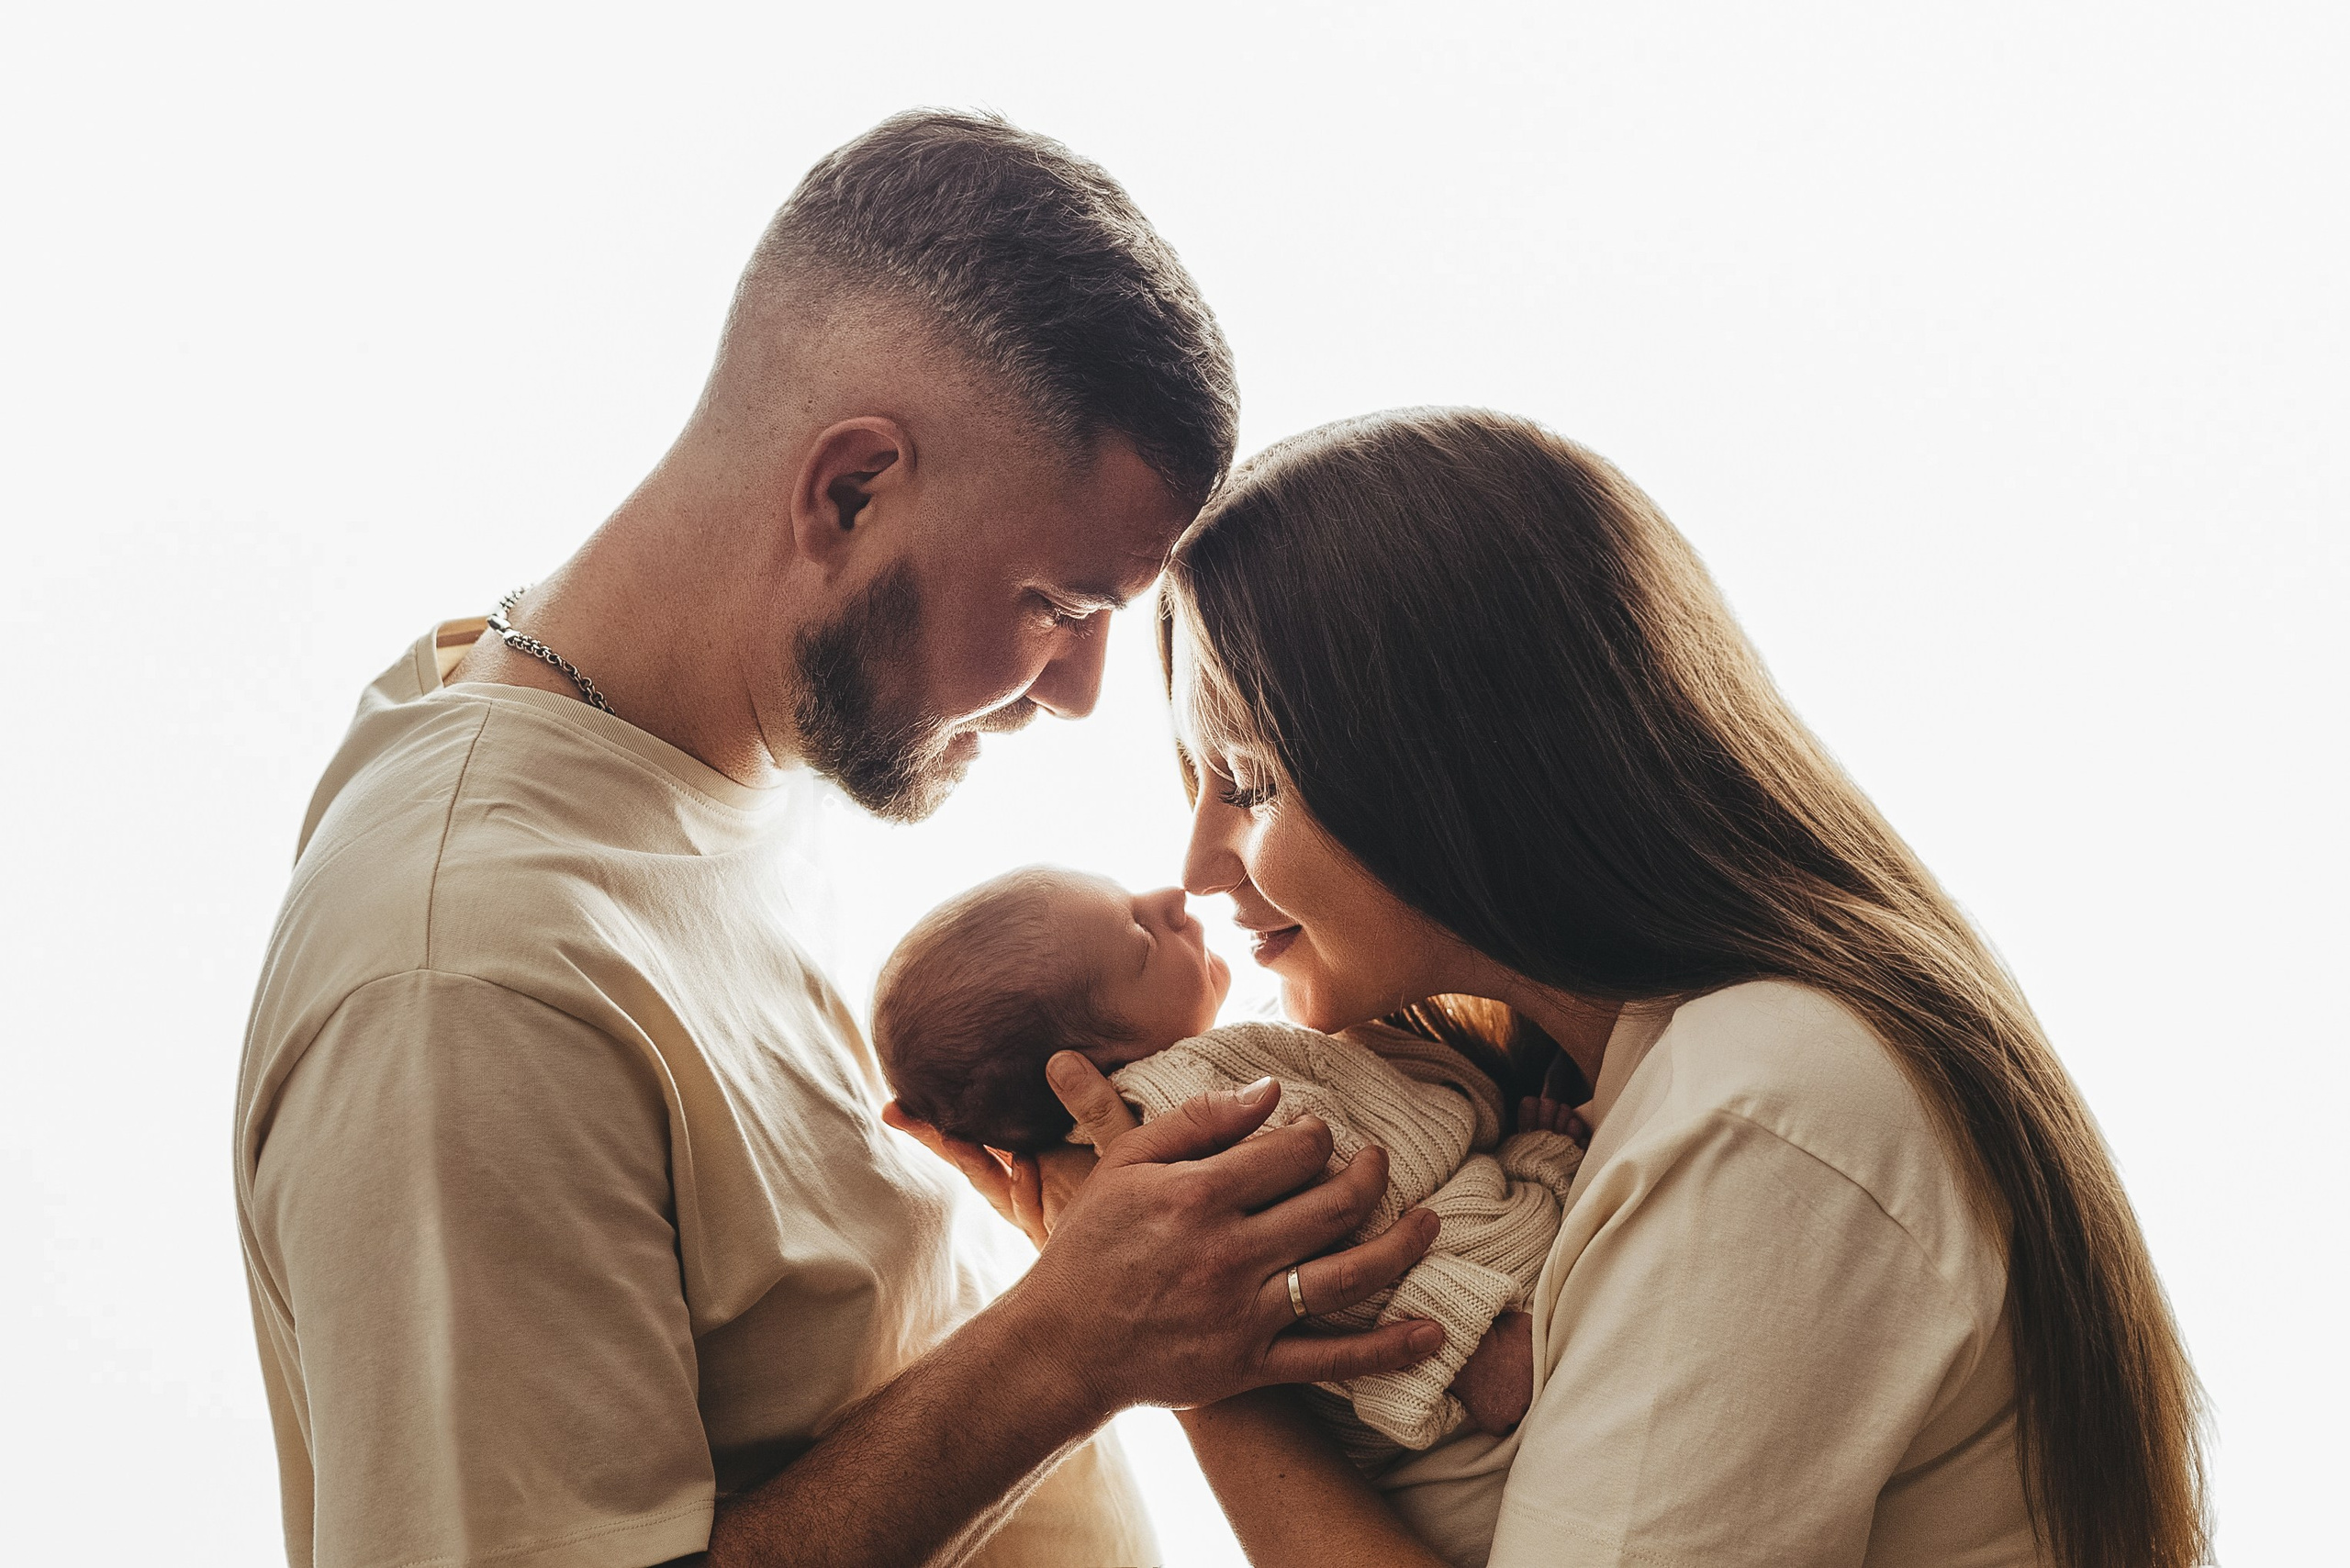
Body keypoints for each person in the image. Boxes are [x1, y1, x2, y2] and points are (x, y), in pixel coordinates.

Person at [231, 113, 1449, 1568]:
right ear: (851, 488)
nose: (1075, 695)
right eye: (1060, 607)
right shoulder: (461, 986)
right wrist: (1071, 1349)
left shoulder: (716, 749)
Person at [934, 409, 2209, 1567]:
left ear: (1456, 772)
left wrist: (1199, 1367)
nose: (1201, 864)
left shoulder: (1764, 1109)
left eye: (1253, 783)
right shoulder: (1561, 1105)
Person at [867, 866, 1586, 1452]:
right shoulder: (1182, 1106)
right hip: (1449, 1319)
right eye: (1141, 942)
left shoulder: (1209, 1070)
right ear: (1094, 1066)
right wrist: (1464, 1348)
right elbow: (1323, 1250)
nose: (1172, 897)